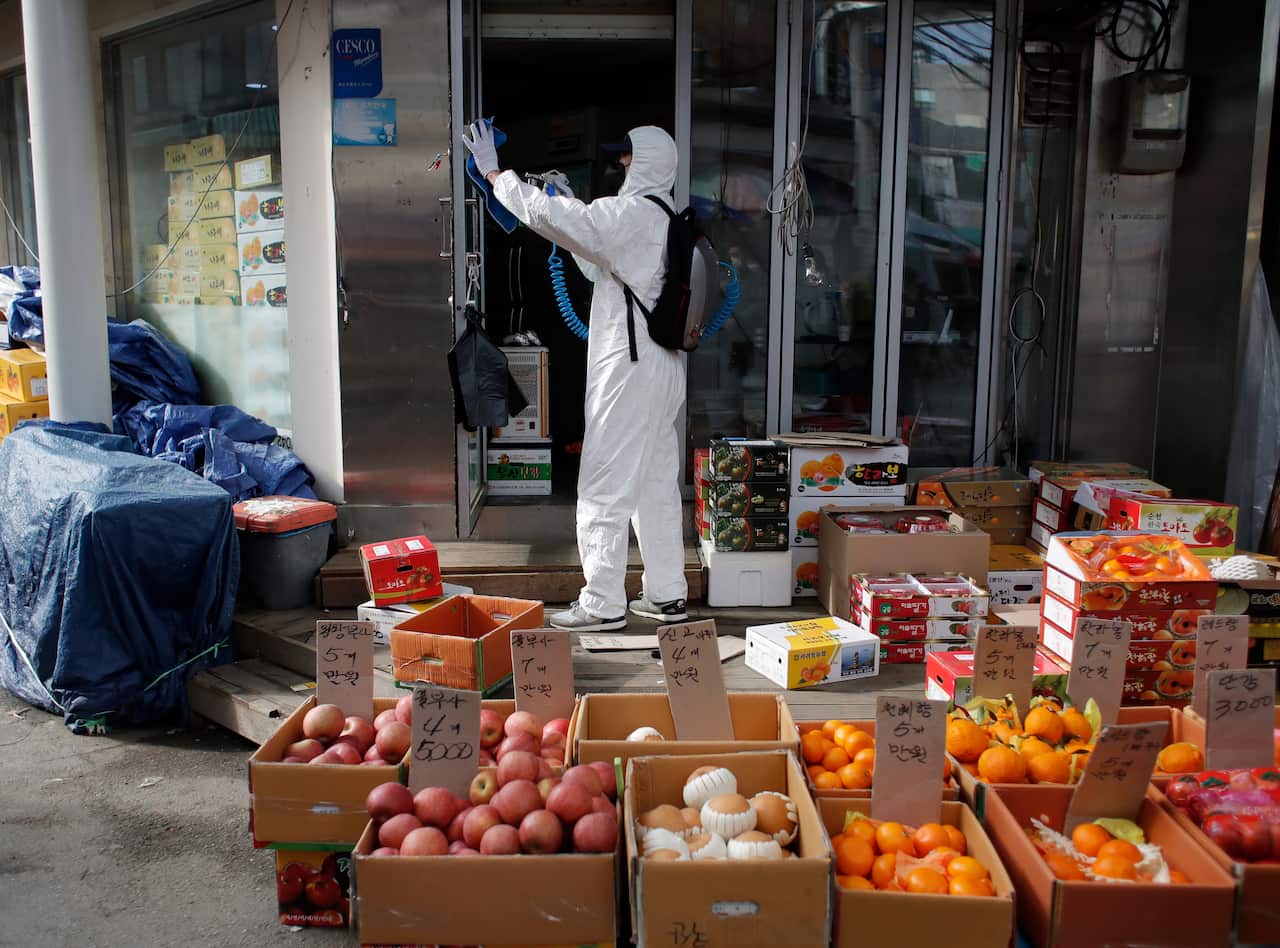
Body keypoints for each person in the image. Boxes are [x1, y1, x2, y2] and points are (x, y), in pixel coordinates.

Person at [462, 122, 688, 631]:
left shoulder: (630, 214)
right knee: (654, 487)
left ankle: (603, 602)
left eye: (626, 157)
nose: (620, 164)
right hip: (664, 367)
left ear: (645, 161)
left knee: (604, 483)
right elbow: (598, 261)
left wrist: (496, 174)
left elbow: (550, 217)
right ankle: (667, 594)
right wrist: (569, 204)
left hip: (629, 368)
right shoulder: (665, 216)